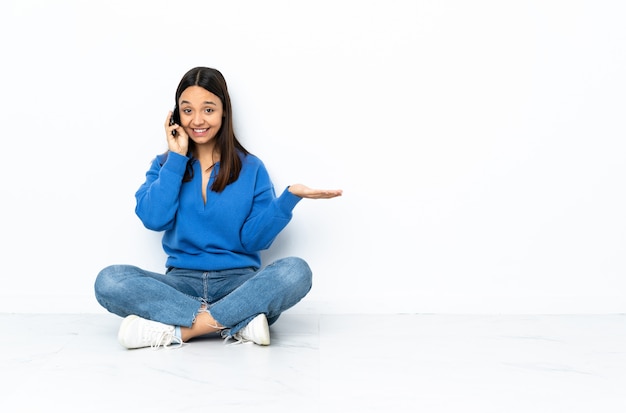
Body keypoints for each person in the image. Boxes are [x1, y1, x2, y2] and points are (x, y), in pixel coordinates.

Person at [94, 67, 342, 350]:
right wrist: (176, 159)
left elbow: (254, 240)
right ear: (176, 115)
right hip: (180, 285)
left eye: (208, 109)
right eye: (187, 111)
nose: (197, 120)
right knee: (110, 281)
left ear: (224, 112)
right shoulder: (165, 165)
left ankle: (180, 331)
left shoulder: (251, 167)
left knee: (295, 271)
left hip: (238, 284)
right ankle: (238, 322)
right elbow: (153, 218)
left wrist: (288, 199)